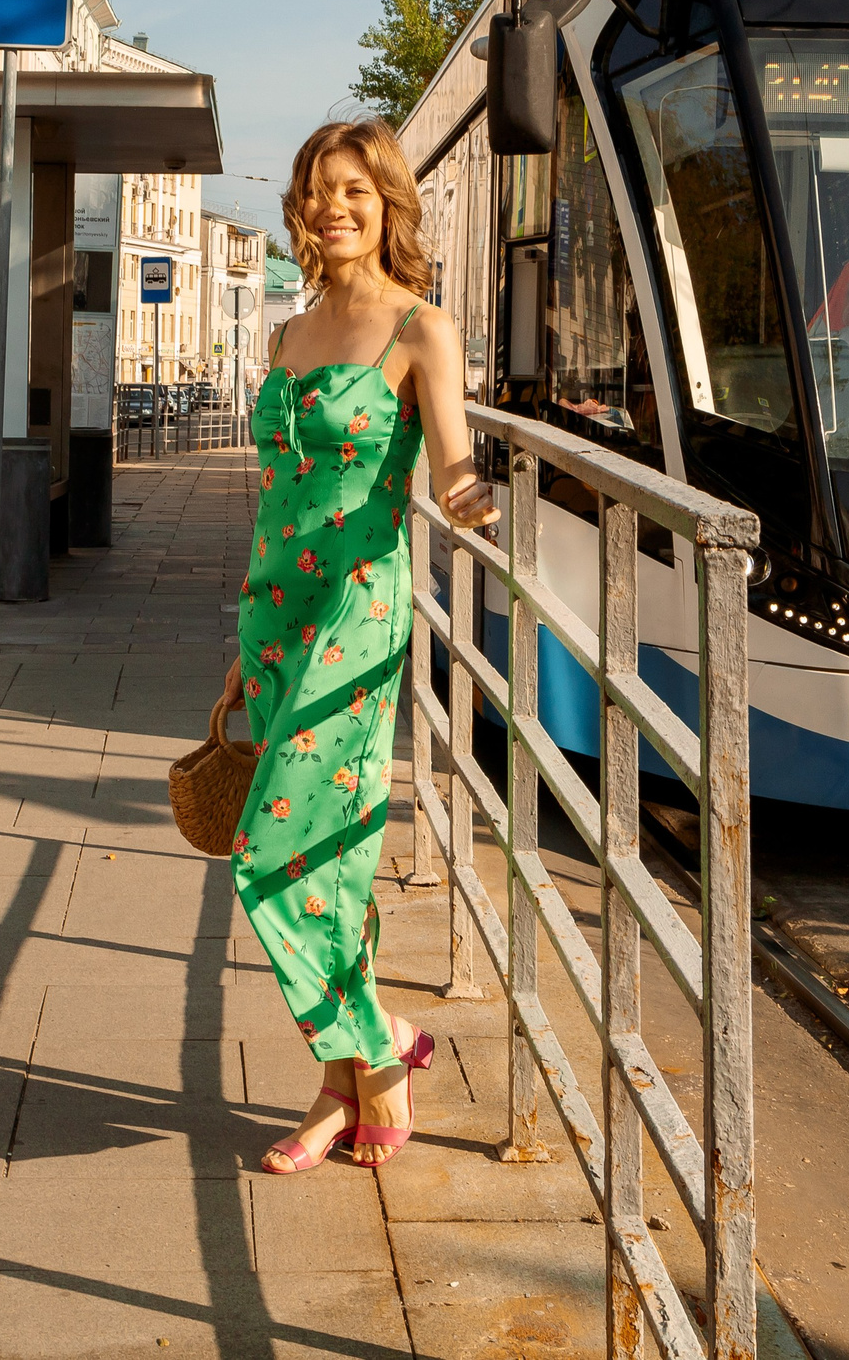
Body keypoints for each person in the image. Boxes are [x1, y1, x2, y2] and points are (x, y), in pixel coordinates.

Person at [229, 117, 497, 1176]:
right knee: (328, 863)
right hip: (273, 618)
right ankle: (349, 1089)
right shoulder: (287, 334)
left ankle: (380, 1048)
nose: (333, 206)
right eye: (318, 189)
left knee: (267, 856)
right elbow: (272, 500)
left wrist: (472, 496)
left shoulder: (421, 328)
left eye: (355, 190)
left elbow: (452, 462)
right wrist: (240, 638)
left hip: (354, 616)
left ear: (388, 205)